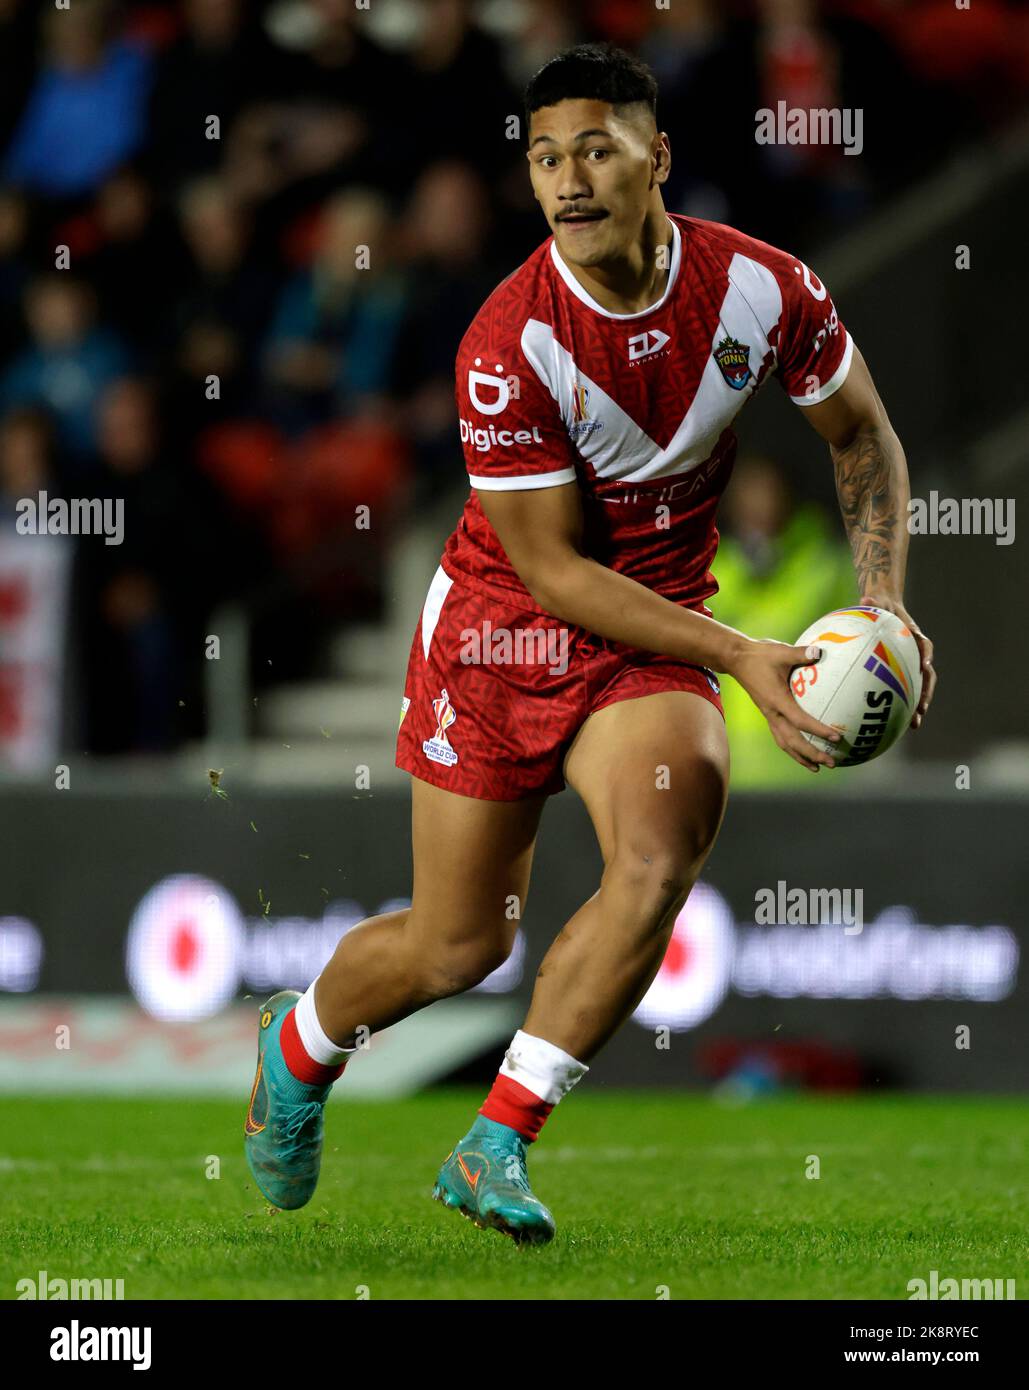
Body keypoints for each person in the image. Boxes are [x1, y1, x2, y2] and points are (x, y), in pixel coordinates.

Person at [244, 43, 936, 1244]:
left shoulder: (764, 290)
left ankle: (496, 1139)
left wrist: (883, 605)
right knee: (459, 943)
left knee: (663, 848)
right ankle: (298, 1045)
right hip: (503, 629)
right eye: (544, 157)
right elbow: (554, 569)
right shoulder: (507, 342)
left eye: (595, 150)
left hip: (648, 632)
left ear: (656, 157)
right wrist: (738, 652)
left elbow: (863, 438)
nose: (567, 179)